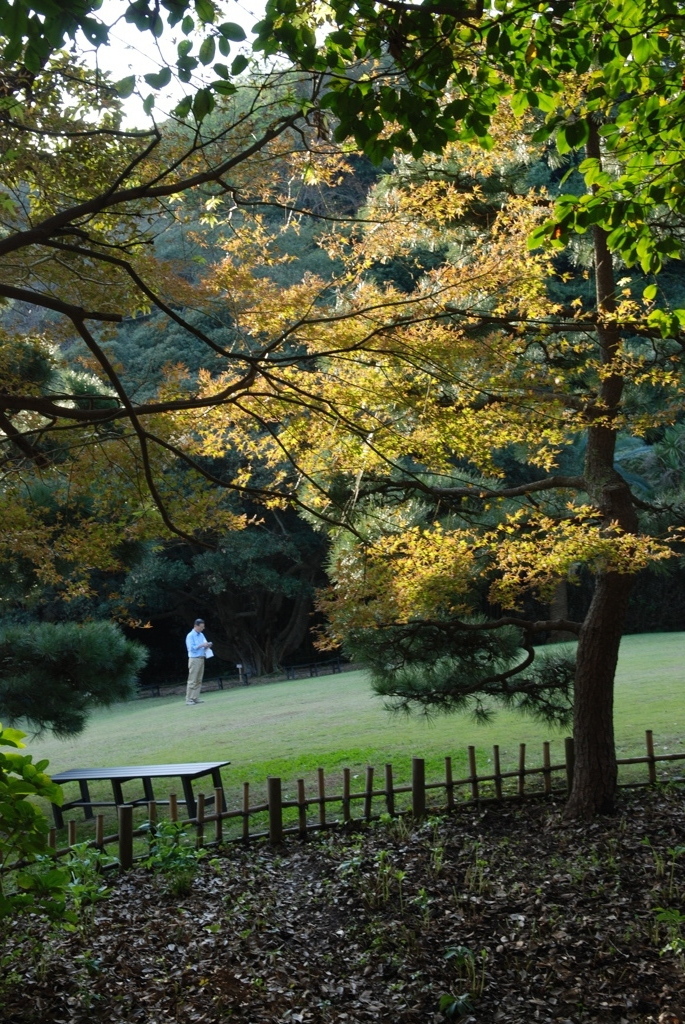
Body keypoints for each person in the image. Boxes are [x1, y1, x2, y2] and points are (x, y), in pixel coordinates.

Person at [185, 619, 212, 705]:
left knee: (199, 680)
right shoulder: (190, 635)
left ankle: (195, 697)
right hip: (194, 659)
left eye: (203, 627)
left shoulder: (201, 635)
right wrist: (201, 645)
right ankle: (189, 699)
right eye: (201, 627)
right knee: (192, 679)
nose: (202, 628)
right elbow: (190, 648)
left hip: (201, 658)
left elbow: (204, 644)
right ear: (196, 626)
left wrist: (207, 645)